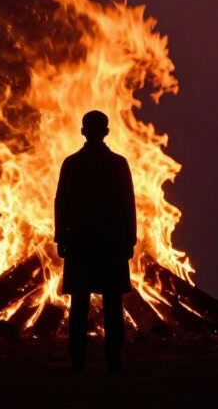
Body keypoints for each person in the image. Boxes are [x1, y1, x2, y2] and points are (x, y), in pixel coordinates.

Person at [54, 110, 137, 372]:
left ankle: (77, 360)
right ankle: (114, 360)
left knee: (79, 304)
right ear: (106, 132)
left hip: (81, 244)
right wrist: (129, 240)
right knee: (113, 304)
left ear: (83, 131)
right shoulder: (118, 164)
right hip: (111, 245)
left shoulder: (71, 164)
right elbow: (128, 204)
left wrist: (61, 238)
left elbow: (61, 203)